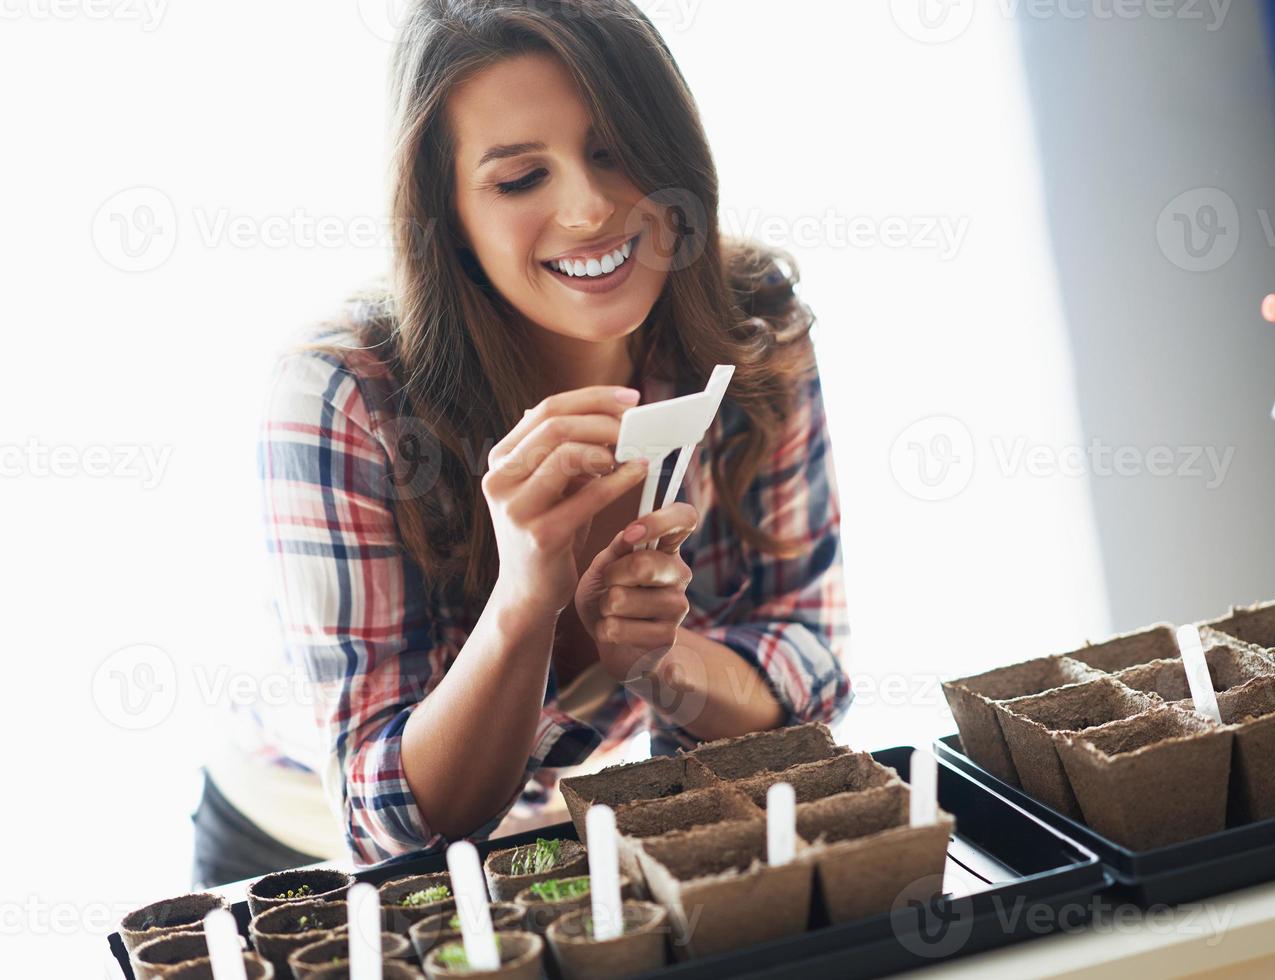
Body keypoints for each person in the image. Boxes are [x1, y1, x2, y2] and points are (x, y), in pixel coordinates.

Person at [191, 0, 852, 886]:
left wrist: (662, 659)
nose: (588, 208)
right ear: (448, 215)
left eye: (615, 149)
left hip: (563, 840)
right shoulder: (344, 396)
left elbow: (807, 673)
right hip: (305, 859)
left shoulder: (749, 326)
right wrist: (524, 601)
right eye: (517, 180)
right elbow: (394, 834)